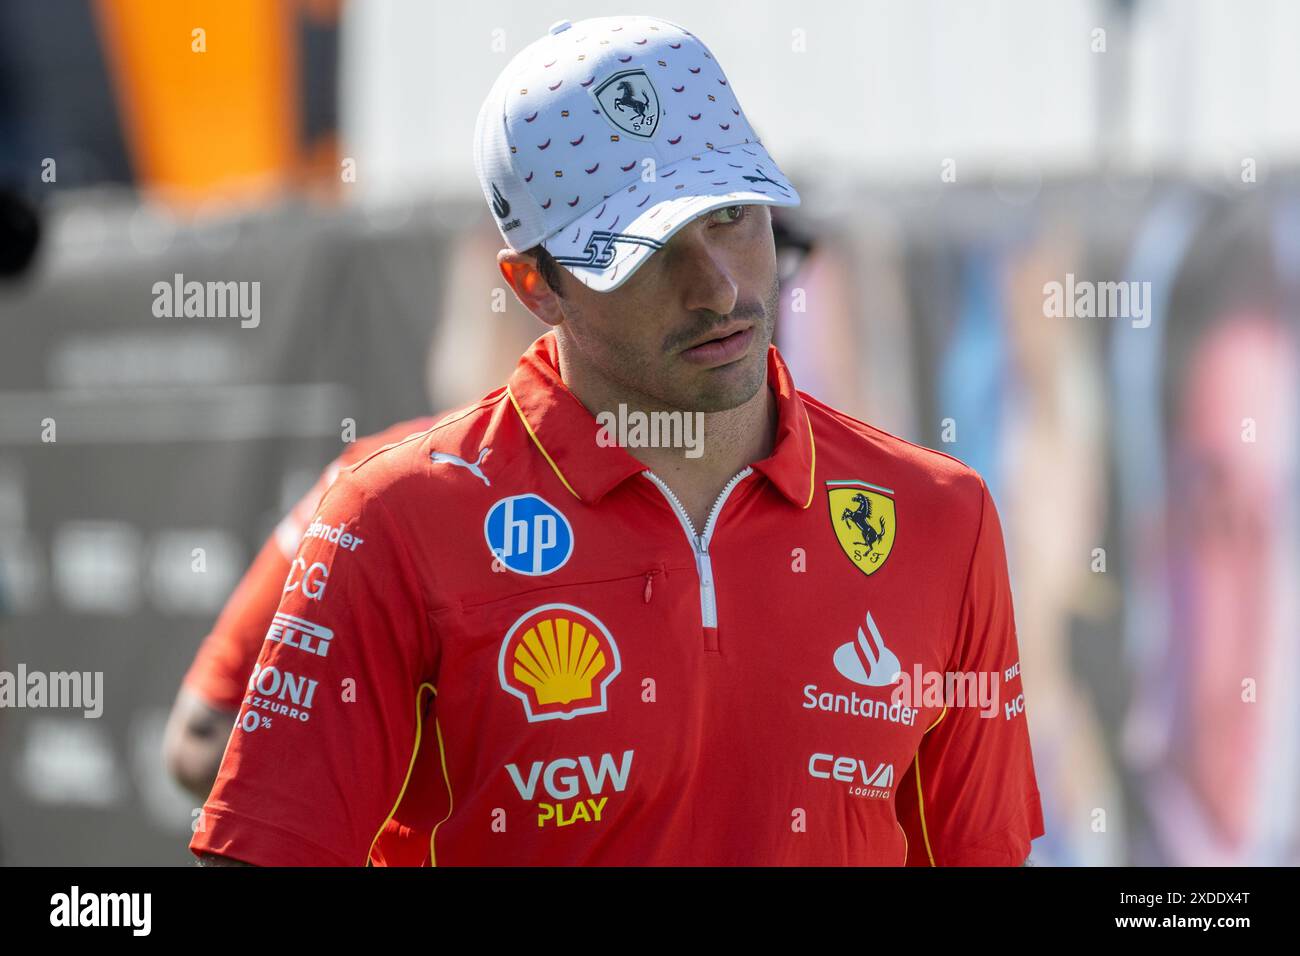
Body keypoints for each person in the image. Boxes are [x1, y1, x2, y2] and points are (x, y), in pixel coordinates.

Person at [192, 14, 1043, 866]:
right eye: (641, 250)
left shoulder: (942, 515)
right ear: (536, 286)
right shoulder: (393, 516)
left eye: (734, 218)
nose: (718, 288)